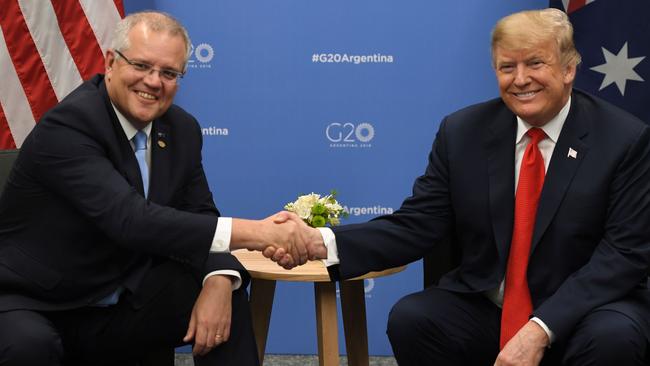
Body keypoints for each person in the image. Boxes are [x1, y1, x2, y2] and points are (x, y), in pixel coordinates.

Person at [270, 8, 650, 365]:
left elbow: (623, 255)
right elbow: (417, 224)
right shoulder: (463, 132)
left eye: (535, 63)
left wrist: (540, 328)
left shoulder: (623, 140)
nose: (520, 79)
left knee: (614, 337)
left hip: (583, 312)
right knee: (414, 319)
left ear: (569, 69)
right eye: (507, 67)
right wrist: (323, 242)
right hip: (491, 306)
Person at [0, 11, 308, 366]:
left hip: (119, 299)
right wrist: (260, 233)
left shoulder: (182, 129)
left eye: (169, 73)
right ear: (110, 63)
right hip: (36, 303)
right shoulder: (70, 126)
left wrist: (220, 277)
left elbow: (199, 214)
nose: (153, 81)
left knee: (223, 293)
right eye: (142, 66)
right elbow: (131, 220)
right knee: (29, 346)